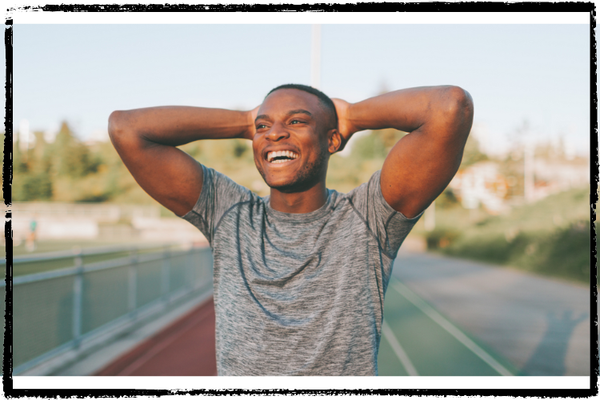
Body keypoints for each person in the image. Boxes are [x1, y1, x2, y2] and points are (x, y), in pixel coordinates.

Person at [108, 84, 474, 375]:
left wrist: (351, 115)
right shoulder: (228, 212)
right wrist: (244, 121)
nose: (275, 134)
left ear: (332, 139)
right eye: (264, 127)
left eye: (296, 122)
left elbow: (449, 107)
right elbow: (127, 128)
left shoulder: (366, 218)